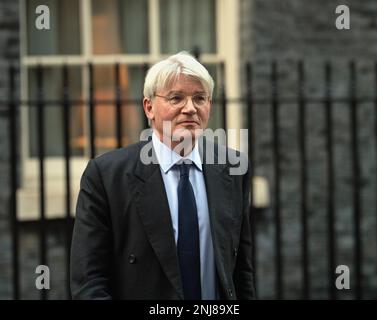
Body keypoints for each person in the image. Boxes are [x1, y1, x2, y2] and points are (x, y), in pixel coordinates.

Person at [70, 52, 256, 300]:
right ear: (149, 107)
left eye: (199, 98)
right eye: (176, 98)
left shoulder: (233, 168)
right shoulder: (106, 176)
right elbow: (89, 282)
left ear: (209, 105)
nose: (190, 108)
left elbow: (241, 271)